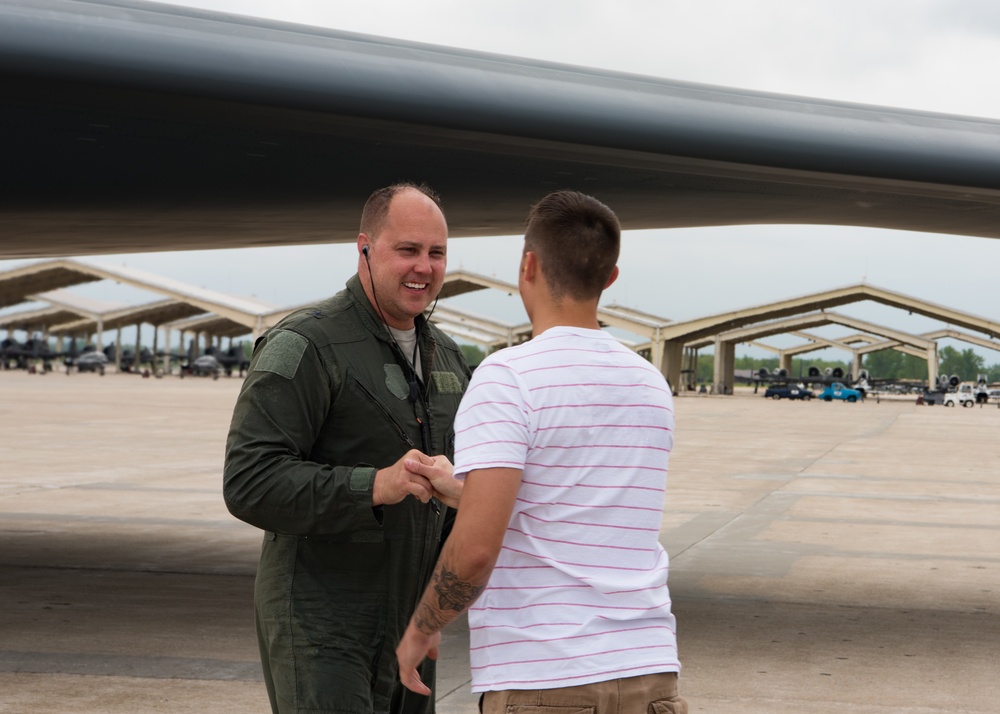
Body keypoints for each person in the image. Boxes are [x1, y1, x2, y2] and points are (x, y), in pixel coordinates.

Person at [396, 190, 688, 713]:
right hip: (651, 674)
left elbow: (476, 550)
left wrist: (422, 628)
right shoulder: (650, 383)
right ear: (610, 278)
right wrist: (465, 490)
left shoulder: (508, 376)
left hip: (547, 677)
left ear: (526, 266)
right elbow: (571, 504)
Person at [224, 183, 471, 714]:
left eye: (436, 253)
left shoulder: (448, 357)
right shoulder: (307, 344)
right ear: (365, 247)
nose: (423, 268)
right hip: (322, 625)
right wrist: (373, 485)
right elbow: (249, 481)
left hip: (411, 625)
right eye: (407, 250)